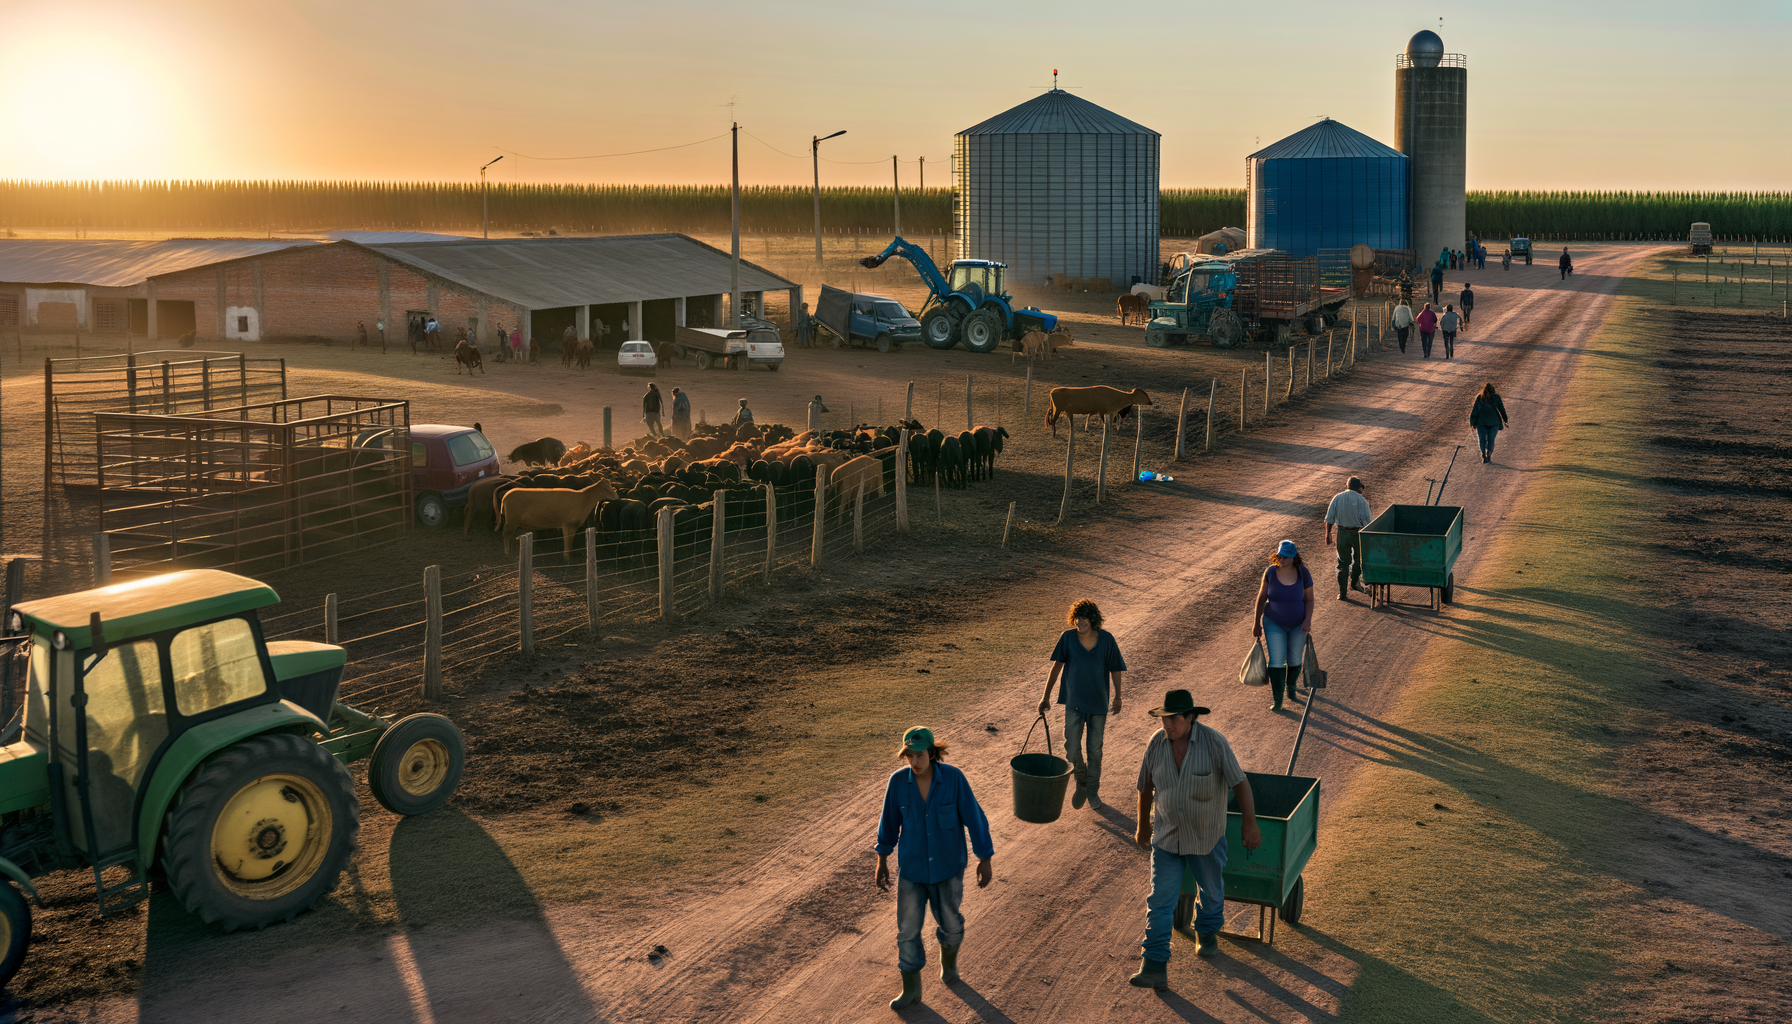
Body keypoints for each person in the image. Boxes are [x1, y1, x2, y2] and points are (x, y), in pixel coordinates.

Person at [1129, 689, 1261, 989]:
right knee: (1160, 901)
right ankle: (1154, 965)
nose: (1168, 724)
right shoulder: (1156, 743)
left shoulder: (1214, 742)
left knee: (1212, 893)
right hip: (1166, 838)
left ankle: (1207, 930)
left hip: (1206, 837)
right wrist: (1143, 826)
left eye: (1174, 718)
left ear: (1190, 717)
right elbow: (1145, 787)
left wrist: (1249, 825)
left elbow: (1240, 783)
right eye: (1165, 718)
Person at [874, 726, 994, 1010]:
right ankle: (912, 989)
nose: (913, 763)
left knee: (951, 925)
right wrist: (882, 858)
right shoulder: (897, 783)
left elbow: (974, 818)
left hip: (947, 867)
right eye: (908, 757)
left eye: (918, 755)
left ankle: (948, 965)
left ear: (931, 753)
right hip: (912, 871)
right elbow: (888, 823)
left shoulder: (953, 779)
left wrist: (984, 857)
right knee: (907, 932)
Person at [1036, 600, 1127, 810]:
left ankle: (1093, 792)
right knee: (1071, 748)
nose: (1079, 621)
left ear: (1093, 619)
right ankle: (1082, 781)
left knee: (1095, 751)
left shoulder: (1106, 640)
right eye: (1077, 617)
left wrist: (1118, 697)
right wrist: (1045, 697)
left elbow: (1116, 669)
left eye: (1084, 617)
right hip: (1074, 703)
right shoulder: (1068, 638)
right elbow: (1056, 667)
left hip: (1098, 705)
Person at [1251, 539, 1313, 712]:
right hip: (1273, 622)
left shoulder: (1303, 573)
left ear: (1294, 557)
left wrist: (1308, 619)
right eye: (1279, 555)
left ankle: (1291, 687)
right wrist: (1256, 623)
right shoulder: (1270, 572)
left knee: (1294, 659)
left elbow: (1309, 599)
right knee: (1276, 661)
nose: (1281, 559)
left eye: (1285, 556)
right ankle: (1278, 700)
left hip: (1298, 624)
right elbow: (1262, 598)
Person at [1324, 477, 1373, 601]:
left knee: (1342, 563)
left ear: (1346, 486)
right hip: (1358, 533)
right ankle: (1354, 583)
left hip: (1342, 532)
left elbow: (1329, 518)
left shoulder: (1337, 498)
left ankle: (1342, 593)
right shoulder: (1362, 501)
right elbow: (1368, 522)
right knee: (1358, 560)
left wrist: (1327, 535)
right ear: (1358, 487)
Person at [1470, 382, 1510, 463]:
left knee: (1482, 440)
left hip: (1481, 423)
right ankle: (1489, 454)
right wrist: (1505, 420)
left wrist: (1472, 423)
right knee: (1491, 440)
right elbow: (1502, 409)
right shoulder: (1496, 397)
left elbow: (1474, 411)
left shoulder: (1479, 398)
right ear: (1492, 389)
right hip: (1494, 423)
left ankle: (1483, 453)